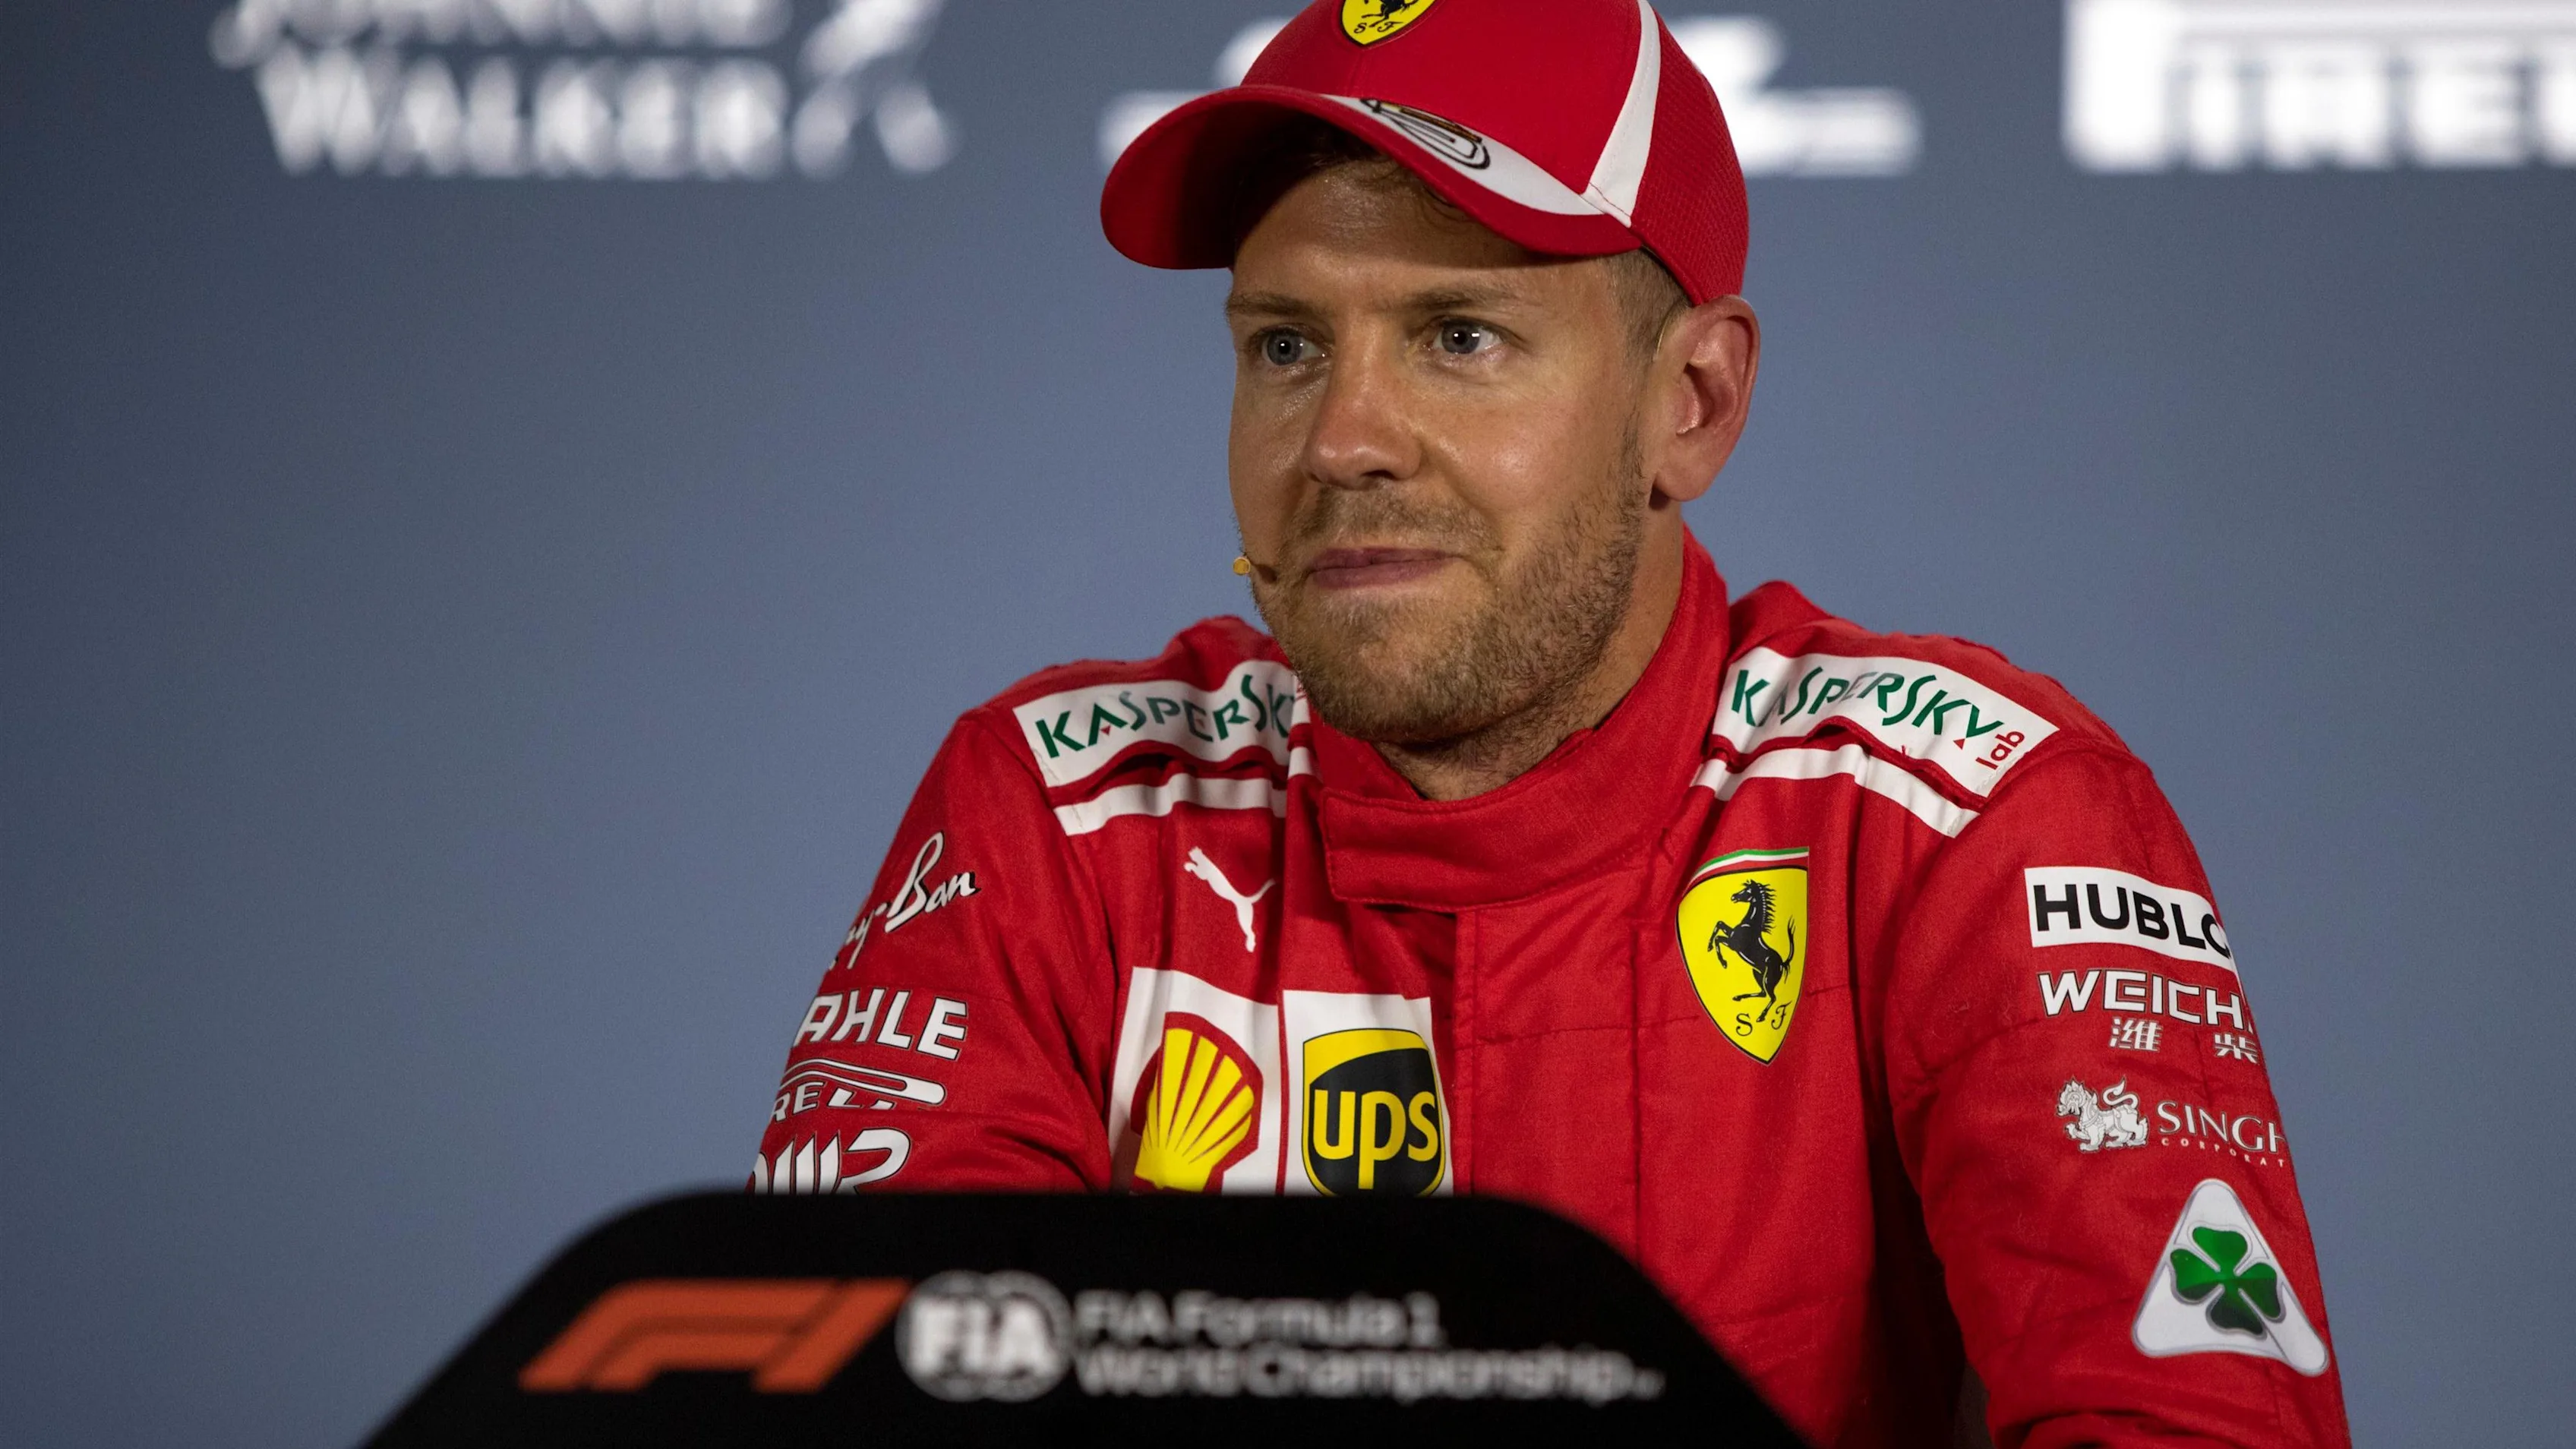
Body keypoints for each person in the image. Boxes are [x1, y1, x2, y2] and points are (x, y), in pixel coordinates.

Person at [752, 1, 2351, 1443]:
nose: (1344, 440)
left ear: (1693, 403)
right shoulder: (1055, 818)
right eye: (1287, 347)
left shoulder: (1969, 820)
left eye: (1460, 337)